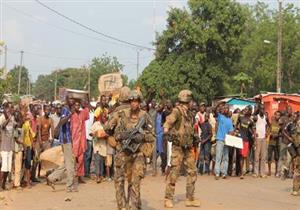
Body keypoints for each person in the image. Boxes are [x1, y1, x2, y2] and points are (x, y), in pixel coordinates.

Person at [104, 90, 154, 210]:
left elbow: (152, 135)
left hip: (138, 153)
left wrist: (142, 136)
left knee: (135, 182)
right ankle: (122, 206)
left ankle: (134, 206)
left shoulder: (144, 115)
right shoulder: (120, 114)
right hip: (123, 152)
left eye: (136, 101)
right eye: (131, 101)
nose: (133, 104)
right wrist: (121, 136)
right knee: (119, 181)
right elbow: (107, 128)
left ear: (139, 102)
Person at [164, 90, 200, 208]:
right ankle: (168, 198)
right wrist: (166, 131)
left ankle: (190, 198)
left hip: (188, 147)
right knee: (174, 173)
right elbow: (168, 122)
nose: (192, 103)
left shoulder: (189, 113)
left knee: (192, 171)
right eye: (191, 100)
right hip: (178, 147)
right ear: (187, 100)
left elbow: (190, 129)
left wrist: (195, 137)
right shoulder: (177, 111)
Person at [47, 97, 77, 192]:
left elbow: (63, 121)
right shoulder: (66, 112)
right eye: (55, 109)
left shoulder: (65, 110)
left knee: (67, 163)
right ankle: (69, 186)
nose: (57, 111)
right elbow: (63, 121)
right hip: (66, 140)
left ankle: (52, 177)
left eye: (57, 108)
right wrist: (69, 116)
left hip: (67, 140)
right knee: (70, 164)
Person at [70, 100, 89, 184]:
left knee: (81, 159)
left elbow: (87, 111)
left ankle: (80, 176)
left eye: (78, 105)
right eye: (76, 105)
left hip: (81, 140)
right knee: (74, 159)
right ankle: (73, 176)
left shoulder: (82, 113)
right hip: (74, 139)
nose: (77, 107)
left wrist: (83, 103)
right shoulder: (71, 115)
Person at [214, 103, 234, 180]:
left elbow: (231, 131)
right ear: (223, 109)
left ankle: (224, 173)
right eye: (224, 108)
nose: (226, 109)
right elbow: (215, 111)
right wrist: (218, 104)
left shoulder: (229, 120)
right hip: (219, 139)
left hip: (227, 141)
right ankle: (217, 173)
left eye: (227, 108)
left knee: (226, 158)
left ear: (228, 110)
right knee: (218, 157)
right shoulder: (220, 117)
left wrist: (230, 135)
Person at [283, 112, 300, 195]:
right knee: (297, 170)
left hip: (296, 149)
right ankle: (295, 189)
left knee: (297, 171)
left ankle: (295, 190)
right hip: (296, 149)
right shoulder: (292, 125)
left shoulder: (297, 126)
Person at [236, 106, 255, 179]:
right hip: (239, 139)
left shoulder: (250, 121)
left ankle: (241, 171)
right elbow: (236, 126)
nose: (245, 110)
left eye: (247, 109)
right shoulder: (240, 117)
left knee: (244, 156)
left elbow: (253, 131)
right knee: (239, 156)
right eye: (245, 109)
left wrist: (254, 136)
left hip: (246, 140)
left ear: (250, 111)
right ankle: (241, 172)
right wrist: (235, 131)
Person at [0, 105, 16, 190]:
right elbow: (2, 127)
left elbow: (17, 125)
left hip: (10, 147)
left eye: (9, 112)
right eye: (7, 112)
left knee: (8, 168)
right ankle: (0, 185)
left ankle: (3, 184)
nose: (8, 113)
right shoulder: (3, 121)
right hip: (4, 148)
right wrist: (9, 119)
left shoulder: (12, 121)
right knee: (4, 167)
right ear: (4, 113)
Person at [253, 106, 269, 178]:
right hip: (258, 138)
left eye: (263, 109)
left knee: (263, 156)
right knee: (257, 156)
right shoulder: (256, 117)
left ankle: (262, 173)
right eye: (261, 109)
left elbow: (269, 125)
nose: (262, 110)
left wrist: (267, 133)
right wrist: (254, 134)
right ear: (259, 110)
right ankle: (256, 173)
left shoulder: (266, 117)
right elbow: (253, 126)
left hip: (264, 138)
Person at [268, 111, 281, 176]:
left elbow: (281, 133)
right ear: (274, 115)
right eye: (277, 115)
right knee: (269, 157)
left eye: (279, 115)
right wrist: (270, 134)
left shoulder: (280, 124)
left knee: (276, 157)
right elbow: (268, 131)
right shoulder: (271, 123)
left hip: (277, 143)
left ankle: (276, 171)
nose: (278, 116)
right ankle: (269, 171)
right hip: (270, 142)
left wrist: (277, 135)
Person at [13, 110, 23, 190]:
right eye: (16, 115)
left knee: (17, 167)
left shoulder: (19, 125)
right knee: (17, 167)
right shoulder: (16, 126)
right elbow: (16, 138)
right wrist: (23, 144)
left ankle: (16, 182)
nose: (17, 117)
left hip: (18, 148)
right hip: (16, 148)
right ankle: (16, 184)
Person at [84, 104, 94, 178]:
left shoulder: (92, 115)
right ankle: (86, 172)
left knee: (89, 156)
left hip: (91, 138)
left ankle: (87, 171)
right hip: (85, 138)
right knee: (87, 156)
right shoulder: (82, 114)